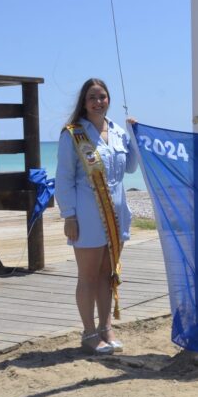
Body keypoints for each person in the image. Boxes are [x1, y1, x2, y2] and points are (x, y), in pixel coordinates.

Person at [55, 78, 138, 355]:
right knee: (88, 276)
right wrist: (69, 216)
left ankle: (106, 328)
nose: (98, 101)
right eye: (92, 97)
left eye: (102, 96)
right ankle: (89, 332)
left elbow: (130, 168)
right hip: (88, 214)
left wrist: (135, 136)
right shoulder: (73, 134)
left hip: (117, 212)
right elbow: (64, 178)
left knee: (108, 274)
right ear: (84, 101)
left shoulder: (115, 130)